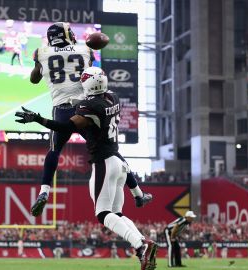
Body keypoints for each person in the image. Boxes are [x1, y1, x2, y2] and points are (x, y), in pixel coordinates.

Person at [15, 66, 158, 270]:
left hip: (104, 163)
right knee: (116, 214)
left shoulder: (89, 108)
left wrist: (38, 119)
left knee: (103, 214)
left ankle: (141, 245)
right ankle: (142, 246)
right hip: (119, 163)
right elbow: (94, 103)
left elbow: (66, 127)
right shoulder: (113, 98)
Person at [28, 22, 152, 217]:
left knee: (54, 150)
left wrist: (39, 65)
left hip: (60, 109)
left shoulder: (41, 53)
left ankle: (44, 191)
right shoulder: (85, 50)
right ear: (67, 35)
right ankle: (138, 193)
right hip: (84, 108)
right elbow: (90, 73)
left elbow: (34, 79)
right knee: (109, 150)